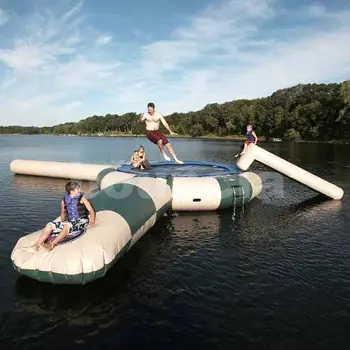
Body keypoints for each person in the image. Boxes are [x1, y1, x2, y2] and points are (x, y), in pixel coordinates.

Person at [34, 181, 95, 250]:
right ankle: (37, 245)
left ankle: (52, 244)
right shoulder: (64, 201)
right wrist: (61, 224)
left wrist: (92, 221)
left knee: (67, 225)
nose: (79, 190)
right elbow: (63, 214)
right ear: (71, 191)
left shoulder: (82, 198)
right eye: (77, 189)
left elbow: (91, 210)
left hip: (81, 221)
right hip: (70, 222)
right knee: (49, 225)